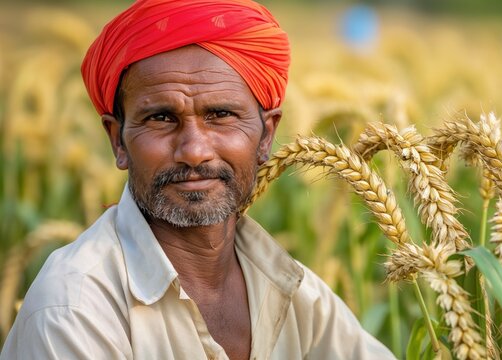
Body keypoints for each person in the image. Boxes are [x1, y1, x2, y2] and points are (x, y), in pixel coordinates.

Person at [0, 0, 395, 359]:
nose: (193, 150)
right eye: (160, 118)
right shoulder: (73, 310)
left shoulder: (295, 293)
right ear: (117, 140)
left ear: (267, 135)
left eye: (220, 115)